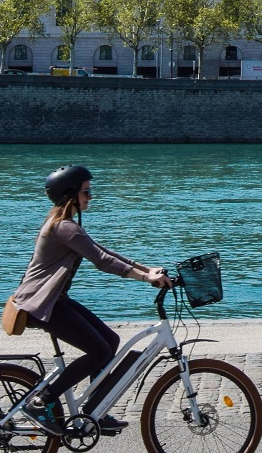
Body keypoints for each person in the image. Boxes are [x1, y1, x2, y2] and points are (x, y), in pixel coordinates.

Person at [10, 165, 171, 432]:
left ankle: (97, 408)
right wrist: (146, 279)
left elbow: (105, 252)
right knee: (98, 351)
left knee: (110, 340)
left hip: (52, 301)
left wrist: (149, 269)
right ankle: (40, 402)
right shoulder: (64, 228)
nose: (90, 197)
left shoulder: (67, 226)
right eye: (86, 191)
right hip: (42, 305)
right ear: (70, 194)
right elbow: (103, 261)